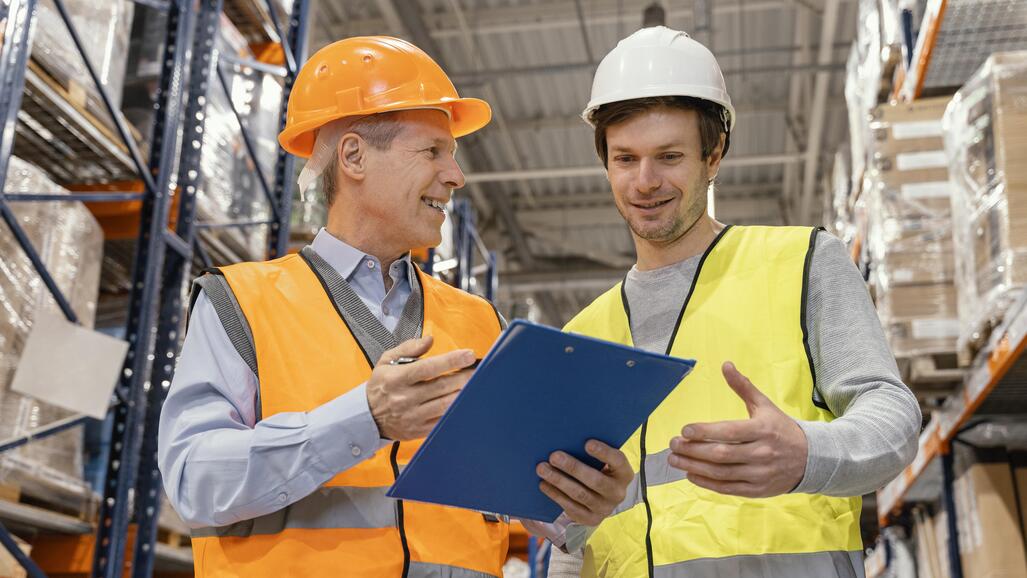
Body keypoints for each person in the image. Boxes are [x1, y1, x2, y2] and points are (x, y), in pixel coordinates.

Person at [157, 36, 632, 578]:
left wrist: (585, 502)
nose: (455, 176)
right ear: (354, 155)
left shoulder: (483, 324)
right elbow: (194, 481)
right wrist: (365, 418)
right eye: (432, 151)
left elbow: (544, 506)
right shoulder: (241, 302)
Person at [546, 26, 922, 578]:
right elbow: (571, 543)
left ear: (713, 154)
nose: (645, 182)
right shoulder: (581, 334)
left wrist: (805, 455)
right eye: (625, 159)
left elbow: (893, 419)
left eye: (669, 156)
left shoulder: (802, 262)